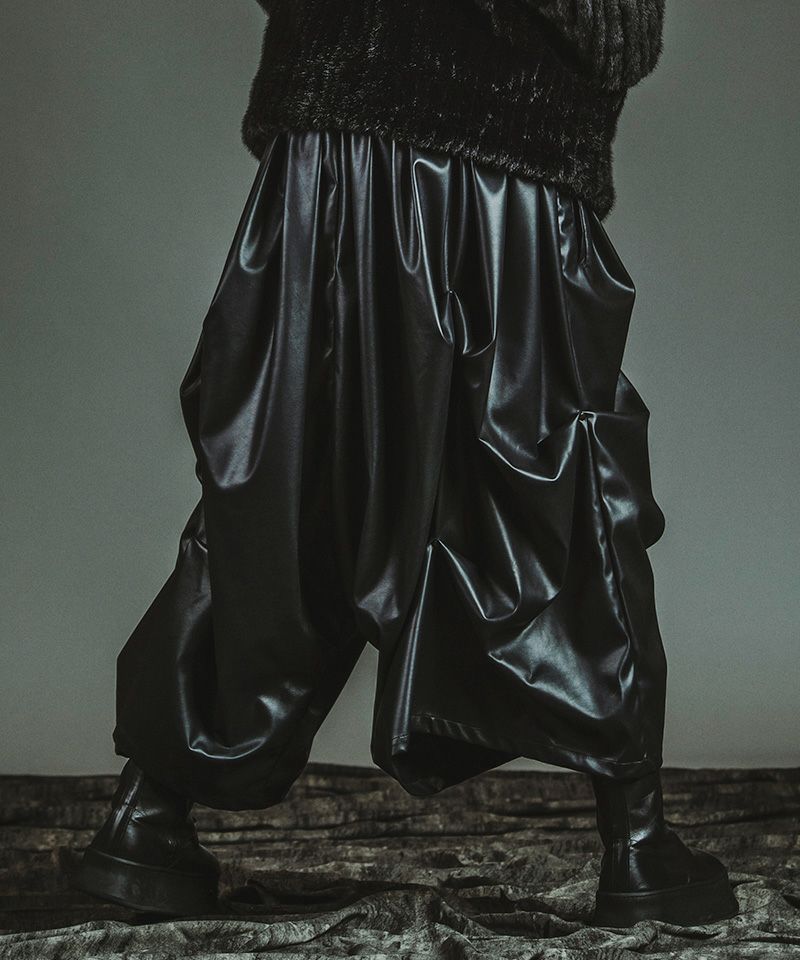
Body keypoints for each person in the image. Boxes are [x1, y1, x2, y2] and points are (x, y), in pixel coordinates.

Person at [71, 0, 739, 929]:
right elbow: (604, 24)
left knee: (287, 472)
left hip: (332, 126)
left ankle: (145, 820)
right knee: (551, 476)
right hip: (503, 135)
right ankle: (637, 844)